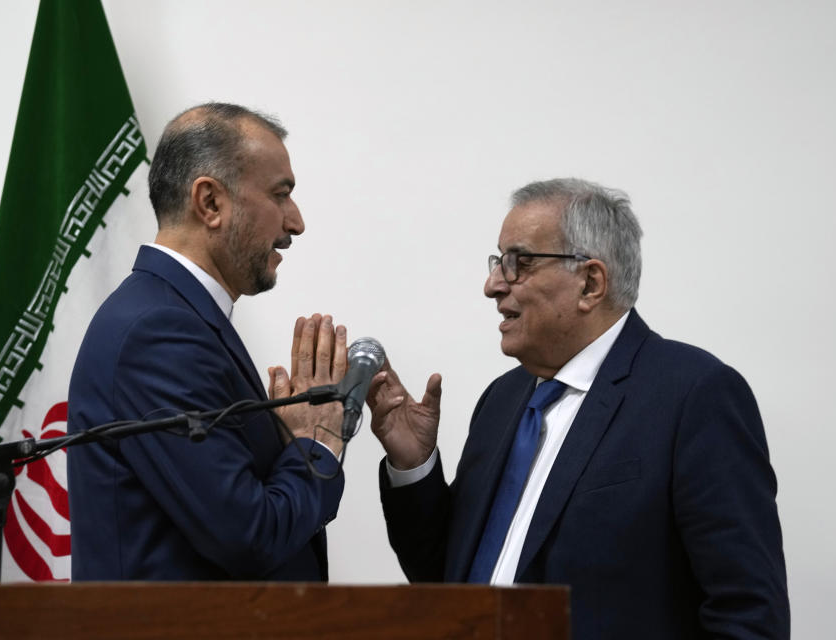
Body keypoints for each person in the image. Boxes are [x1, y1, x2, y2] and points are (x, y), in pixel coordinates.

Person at [369, 178, 790, 639]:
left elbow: (747, 613)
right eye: (497, 262)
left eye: (519, 263)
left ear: (590, 282)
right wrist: (414, 466)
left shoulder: (694, 396)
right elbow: (450, 582)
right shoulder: (501, 400)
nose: (492, 285)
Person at [67, 103, 347, 581]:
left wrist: (288, 450)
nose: (296, 222)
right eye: (280, 195)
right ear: (210, 203)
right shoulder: (157, 334)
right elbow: (249, 535)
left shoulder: (175, 315)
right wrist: (316, 443)